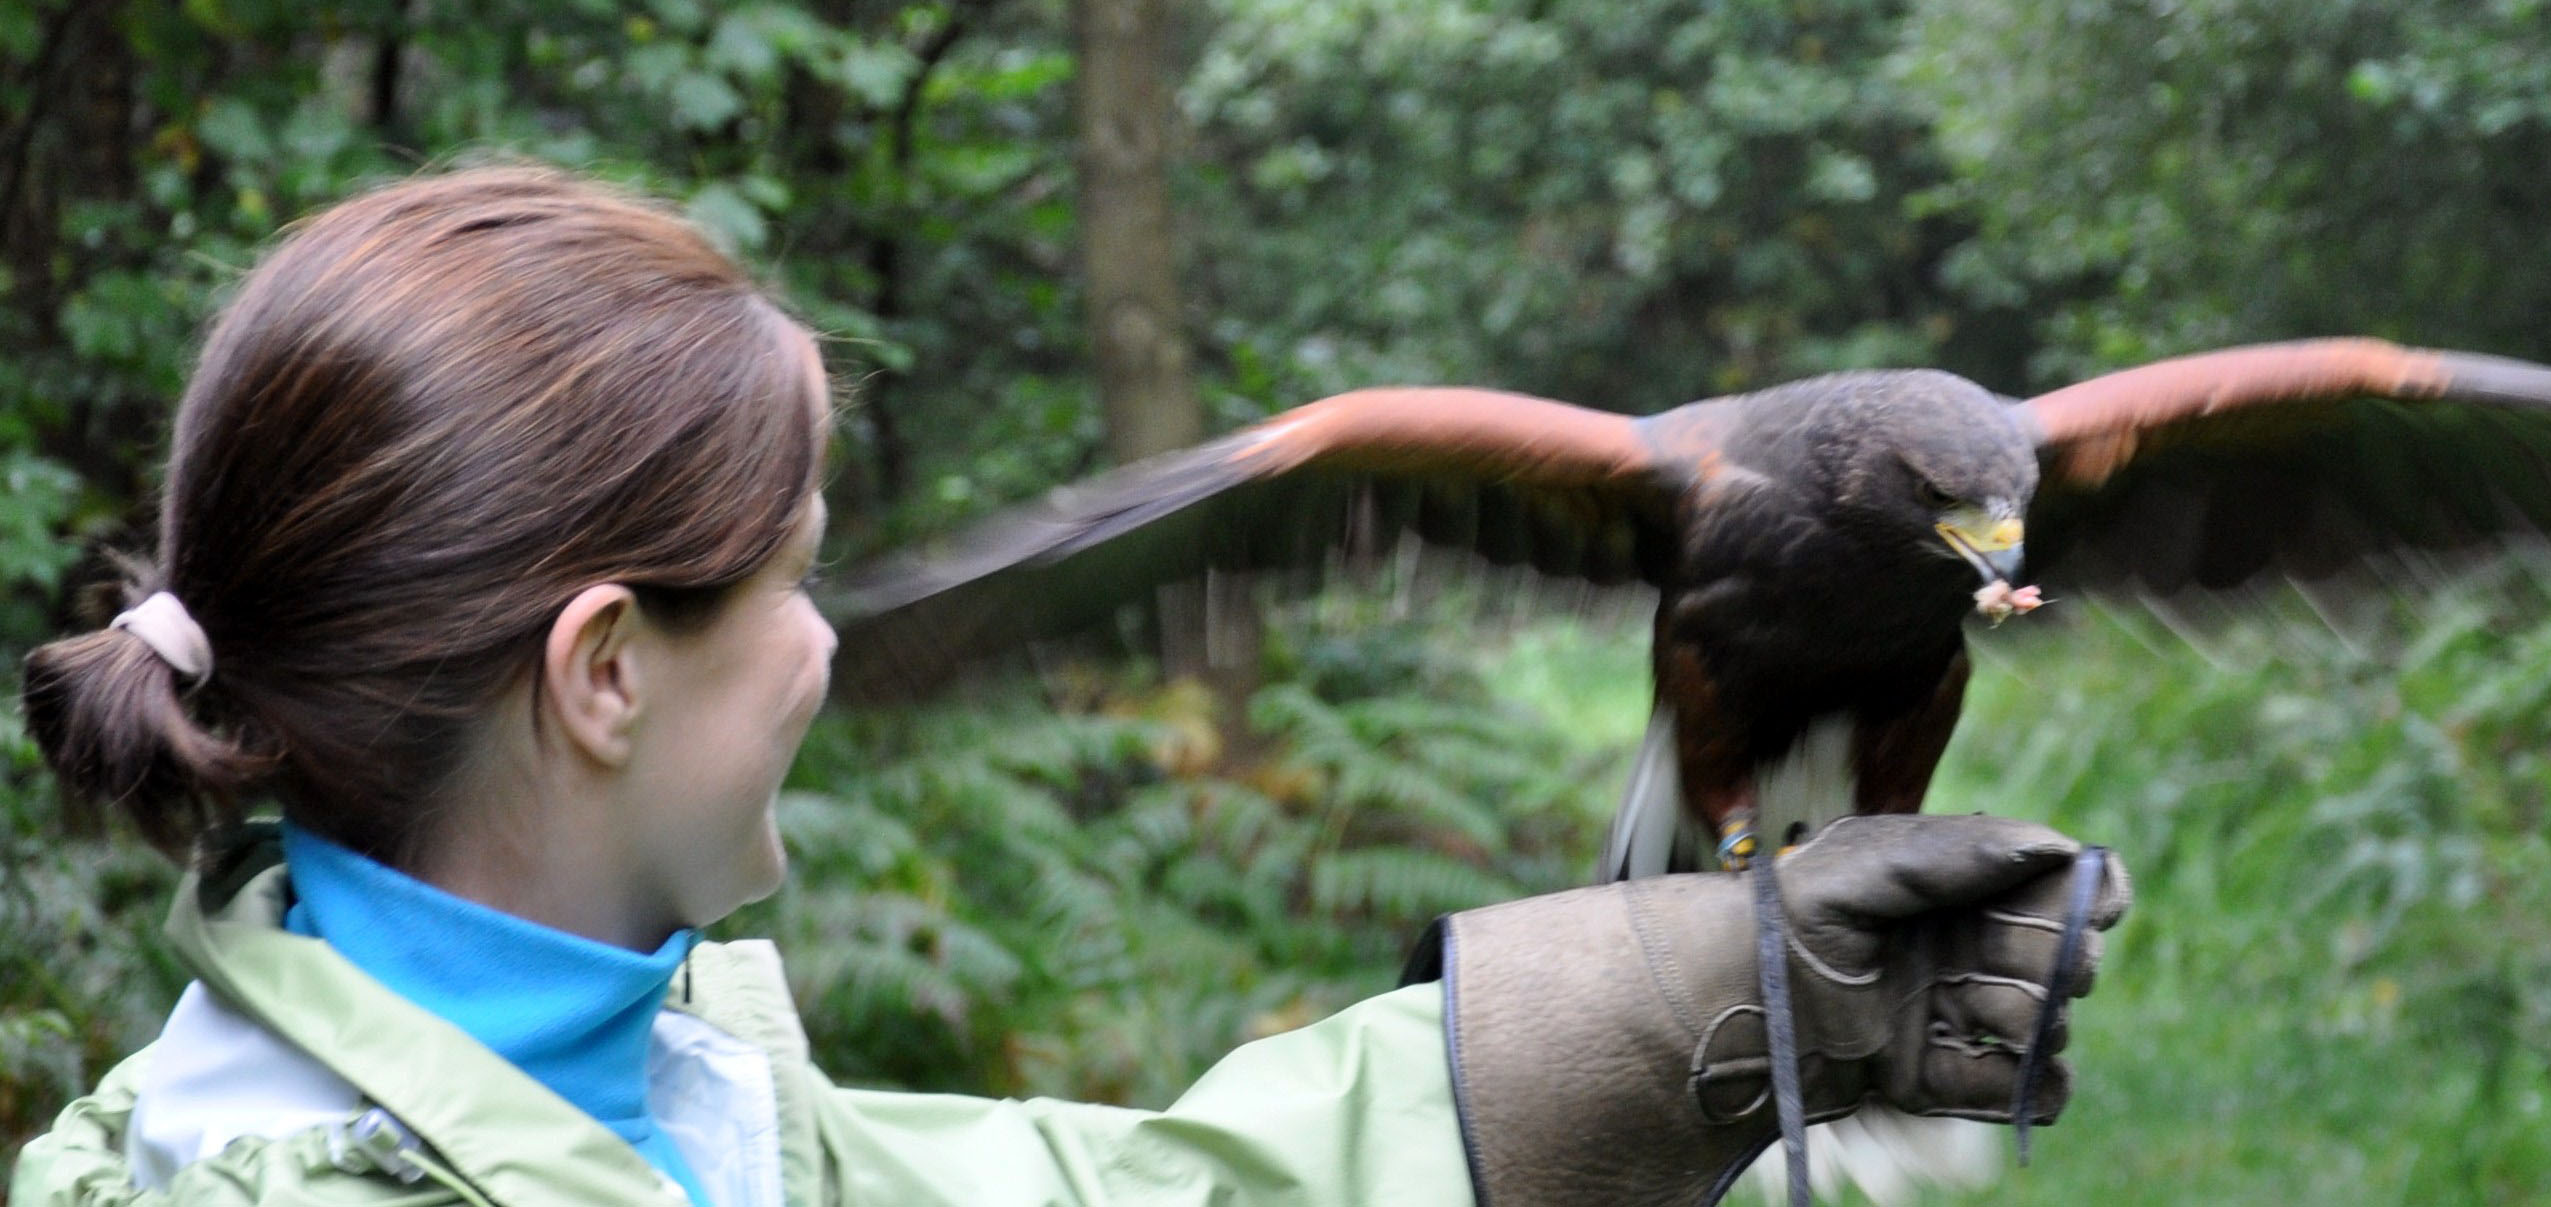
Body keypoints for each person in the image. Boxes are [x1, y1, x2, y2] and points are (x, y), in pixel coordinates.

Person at [8, 167, 2127, 1207]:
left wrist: (1672, 1009)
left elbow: (1124, 1195)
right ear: (602, 674)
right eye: (804, 585)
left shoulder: (668, 1092)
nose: (838, 647)